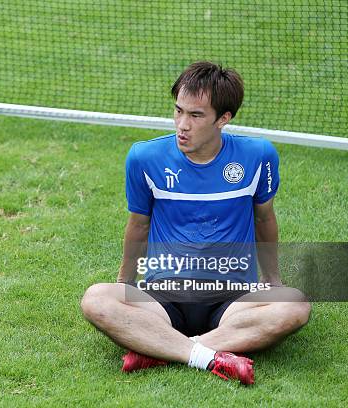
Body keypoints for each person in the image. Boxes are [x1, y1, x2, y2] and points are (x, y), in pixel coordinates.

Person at [80, 61, 311, 385]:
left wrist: (272, 280)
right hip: (163, 294)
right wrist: (124, 282)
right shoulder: (144, 158)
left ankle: (161, 348)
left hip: (232, 295)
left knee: (296, 305)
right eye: (178, 111)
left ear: (224, 119)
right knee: (96, 299)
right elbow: (138, 225)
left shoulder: (258, 156)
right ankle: (209, 354)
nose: (182, 125)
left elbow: (264, 217)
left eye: (196, 115)